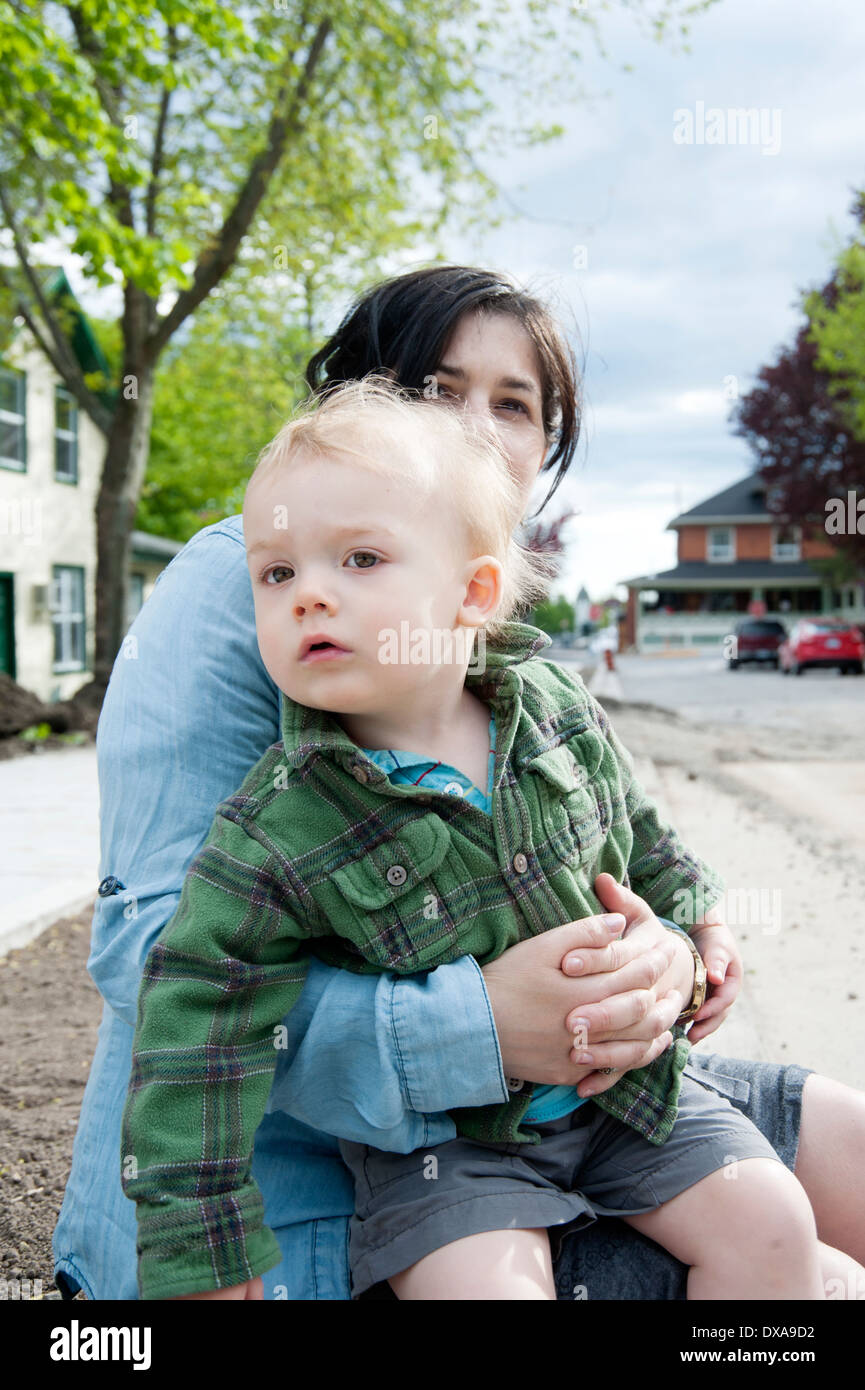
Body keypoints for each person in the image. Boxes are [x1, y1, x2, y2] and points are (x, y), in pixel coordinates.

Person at [53, 265, 865, 1302]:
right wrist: (478, 1024)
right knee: (824, 1280)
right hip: (382, 1155)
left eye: (514, 404)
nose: (478, 428)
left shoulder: (521, 679)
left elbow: (632, 826)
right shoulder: (260, 614)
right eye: (435, 390)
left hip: (599, 1099)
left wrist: (673, 944)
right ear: (357, 405)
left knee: (795, 1206)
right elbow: (162, 964)